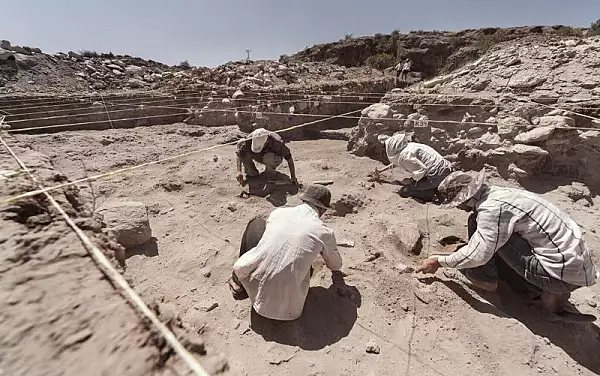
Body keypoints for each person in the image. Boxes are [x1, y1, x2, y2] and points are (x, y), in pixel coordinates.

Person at [416, 170, 598, 319]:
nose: (457, 208)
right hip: (575, 268)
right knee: (496, 231)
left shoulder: (492, 210)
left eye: (456, 204)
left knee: (482, 227)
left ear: (465, 199)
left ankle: (484, 278)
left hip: (559, 276)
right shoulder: (500, 194)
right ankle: (546, 291)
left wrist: (439, 261)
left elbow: (479, 254)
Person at [228, 184, 343, 321]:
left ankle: (238, 283)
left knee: (257, 224)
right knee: (303, 265)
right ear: (322, 210)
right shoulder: (324, 232)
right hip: (290, 311)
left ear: (304, 200)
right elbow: (336, 265)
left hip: (255, 293)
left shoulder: (278, 213)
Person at [374, 133, 454, 202]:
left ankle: (430, 193)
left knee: (405, 191)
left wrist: (411, 180)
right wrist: (381, 170)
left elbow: (422, 170)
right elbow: (397, 162)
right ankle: (430, 187)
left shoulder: (405, 155)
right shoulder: (408, 147)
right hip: (443, 168)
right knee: (416, 185)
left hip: (436, 174)